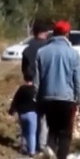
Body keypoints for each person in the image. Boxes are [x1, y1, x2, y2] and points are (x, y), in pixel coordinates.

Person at [29, 20, 80, 159]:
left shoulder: (42, 52)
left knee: (52, 130)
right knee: (65, 134)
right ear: (67, 34)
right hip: (66, 99)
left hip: (47, 99)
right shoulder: (73, 54)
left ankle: (49, 150)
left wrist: (36, 99)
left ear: (54, 33)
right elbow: (78, 80)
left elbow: (36, 81)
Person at [19, 19, 53, 151]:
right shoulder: (49, 48)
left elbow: (24, 69)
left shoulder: (27, 50)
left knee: (30, 114)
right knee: (44, 118)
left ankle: (26, 144)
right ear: (45, 33)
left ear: (34, 33)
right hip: (46, 84)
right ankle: (42, 145)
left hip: (31, 85)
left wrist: (29, 80)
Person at [8, 82, 39, 156]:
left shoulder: (21, 89)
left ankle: (23, 148)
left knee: (24, 132)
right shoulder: (35, 90)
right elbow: (39, 102)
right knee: (32, 134)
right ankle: (32, 152)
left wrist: (11, 111)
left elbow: (15, 100)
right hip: (32, 114)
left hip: (22, 114)